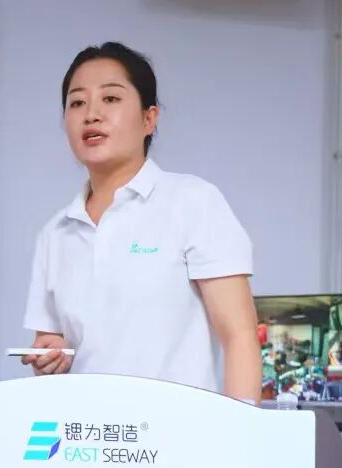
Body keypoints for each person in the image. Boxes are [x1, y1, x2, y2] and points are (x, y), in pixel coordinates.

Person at [21, 42, 261, 403]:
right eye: (77, 103)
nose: (91, 115)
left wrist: (242, 430)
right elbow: (49, 341)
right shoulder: (55, 233)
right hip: (88, 431)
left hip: (176, 431)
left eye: (110, 99)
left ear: (149, 119)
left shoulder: (192, 202)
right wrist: (50, 354)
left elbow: (238, 335)